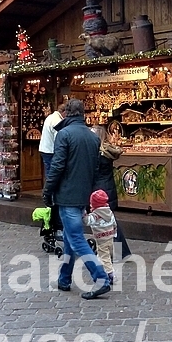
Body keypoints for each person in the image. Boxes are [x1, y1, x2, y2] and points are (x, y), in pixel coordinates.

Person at [42, 99, 110, 299]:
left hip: (67, 194)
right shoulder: (92, 137)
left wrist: (47, 190)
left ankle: (101, 278)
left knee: (76, 239)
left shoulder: (64, 134)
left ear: (67, 113)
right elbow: (95, 170)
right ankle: (64, 278)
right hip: (82, 194)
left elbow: (57, 167)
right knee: (71, 238)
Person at [91, 125, 131, 259]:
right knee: (109, 222)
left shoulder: (97, 154)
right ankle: (118, 252)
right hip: (108, 189)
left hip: (99, 191)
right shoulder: (107, 152)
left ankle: (118, 252)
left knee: (107, 224)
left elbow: (92, 173)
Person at [40, 103, 66, 232]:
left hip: (46, 150)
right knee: (52, 175)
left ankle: (50, 196)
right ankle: (52, 198)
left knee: (50, 174)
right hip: (51, 151)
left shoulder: (51, 117)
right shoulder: (56, 120)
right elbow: (59, 139)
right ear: (64, 112)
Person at [85, 190, 117, 282]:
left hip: (101, 240)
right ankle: (106, 267)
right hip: (110, 237)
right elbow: (114, 223)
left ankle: (110, 274)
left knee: (104, 257)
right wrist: (114, 233)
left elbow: (86, 221)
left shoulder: (95, 215)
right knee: (109, 255)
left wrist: (83, 215)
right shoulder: (109, 212)